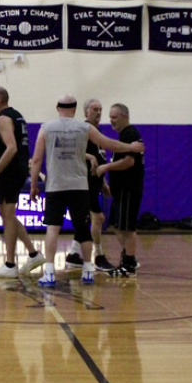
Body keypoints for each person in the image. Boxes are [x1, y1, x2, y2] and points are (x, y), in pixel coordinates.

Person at [30, 95, 145, 288]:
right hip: (79, 186)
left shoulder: (46, 128)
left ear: (57, 108)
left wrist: (34, 185)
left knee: (53, 228)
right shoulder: (84, 128)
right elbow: (109, 143)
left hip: (56, 186)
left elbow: (36, 160)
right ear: (76, 110)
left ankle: (49, 272)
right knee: (83, 228)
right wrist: (131, 147)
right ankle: (88, 270)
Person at [0, 86, 44, 278]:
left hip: (9, 172)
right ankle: (33, 254)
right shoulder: (18, 116)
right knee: (8, 216)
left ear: (0, 99)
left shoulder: (4, 118)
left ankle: (10, 265)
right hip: (16, 170)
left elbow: (11, 148)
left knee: (7, 217)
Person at [96, 103, 145, 278]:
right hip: (121, 189)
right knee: (116, 225)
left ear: (125, 117)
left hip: (128, 189)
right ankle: (129, 257)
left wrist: (106, 167)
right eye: (110, 117)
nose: (111, 120)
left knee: (127, 228)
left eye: (114, 117)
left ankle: (129, 264)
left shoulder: (130, 134)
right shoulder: (124, 135)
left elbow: (129, 162)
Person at [65, 99, 115, 272]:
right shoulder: (82, 129)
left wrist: (104, 182)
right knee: (97, 218)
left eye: (100, 109)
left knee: (86, 219)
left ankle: (74, 254)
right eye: (95, 109)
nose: (98, 112)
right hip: (83, 181)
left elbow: (101, 158)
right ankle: (98, 255)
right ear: (86, 112)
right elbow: (72, 151)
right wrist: (90, 157)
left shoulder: (97, 131)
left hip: (94, 182)